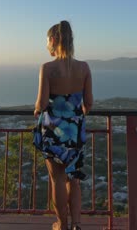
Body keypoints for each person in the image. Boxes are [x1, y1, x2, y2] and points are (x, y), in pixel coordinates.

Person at [34, 20, 93, 230]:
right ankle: (77, 224)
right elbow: (89, 103)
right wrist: (74, 116)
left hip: (53, 130)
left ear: (52, 40)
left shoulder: (47, 68)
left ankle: (62, 224)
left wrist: (36, 109)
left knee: (57, 178)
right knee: (74, 177)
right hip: (75, 130)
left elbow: (41, 103)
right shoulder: (84, 67)